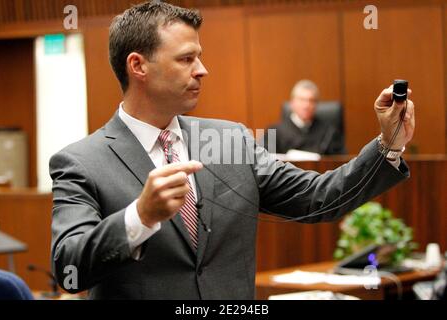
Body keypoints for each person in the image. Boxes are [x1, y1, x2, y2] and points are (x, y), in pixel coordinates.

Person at [50, 1, 415, 299]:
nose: (202, 70)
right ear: (138, 65)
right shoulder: (82, 162)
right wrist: (139, 217)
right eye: (186, 59)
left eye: (200, 56)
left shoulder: (231, 141)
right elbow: (69, 271)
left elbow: (319, 199)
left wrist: (388, 146)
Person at [262, 80, 346, 155]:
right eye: (302, 100)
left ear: (316, 105)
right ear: (292, 103)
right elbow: (264, 165)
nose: (306, 105)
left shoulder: (329, 132)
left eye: (311, 100)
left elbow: (339, 163)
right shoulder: (273, 132)